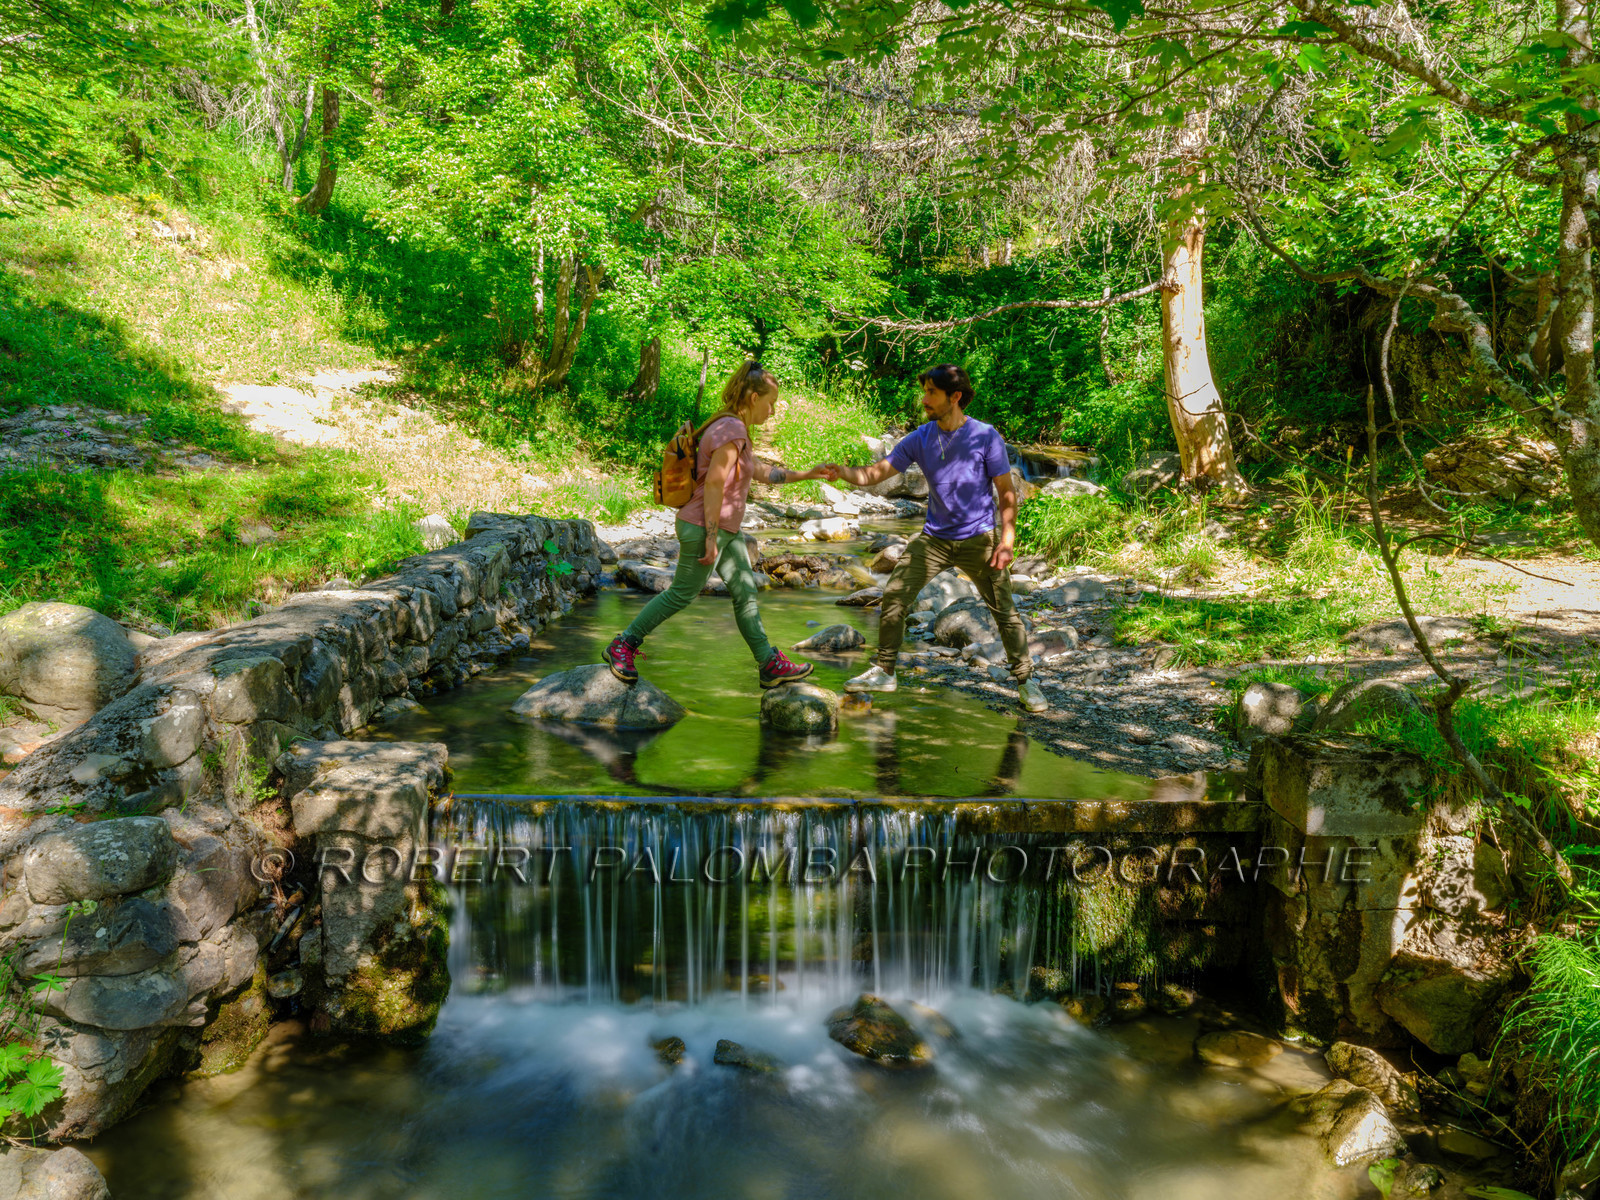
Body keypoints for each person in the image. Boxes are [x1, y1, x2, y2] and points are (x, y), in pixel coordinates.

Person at [829, 364, 1048, 713]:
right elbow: (875, 473)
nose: (925, 399)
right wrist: (842, 472)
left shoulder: (985, 436)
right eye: (925, 391)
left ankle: (1026, 681)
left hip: (980, 539)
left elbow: (1007, 493)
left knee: (1005, 612)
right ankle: (885, 671)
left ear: (955, 396)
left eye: (932, 392)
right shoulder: (920, 438)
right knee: (894, 596)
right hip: (933, 540)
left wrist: (1006, 542)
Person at [602, 361, 835, 689]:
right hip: (704, 527)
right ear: (754, 398)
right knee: (682, 594)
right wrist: (711, 538)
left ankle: (768, 664)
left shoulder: (731, 427)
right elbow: (714, 483)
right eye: (771, 403)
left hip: (726, 531)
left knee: (745, 591)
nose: (772, 411)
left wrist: (809, 474)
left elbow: (763, 472)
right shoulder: (732, 430)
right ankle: (623, 644)